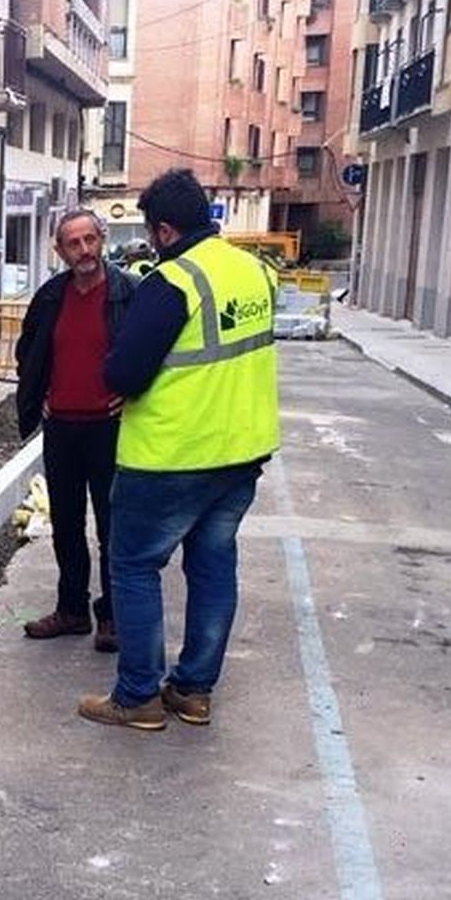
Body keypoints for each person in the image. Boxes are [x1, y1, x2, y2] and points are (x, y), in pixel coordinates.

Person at [77, 168, 280, 731]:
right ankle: (192, 691)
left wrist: (118, 373)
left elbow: (124, 371)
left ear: (163, 231)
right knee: (214, 566)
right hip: (239, 453)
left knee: (134, 566)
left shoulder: (173, 283)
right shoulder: (255, 273)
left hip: (171, 455)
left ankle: (138, 695)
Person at [14, 210, 138, 652]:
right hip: (62, 428)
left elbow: (152, 352)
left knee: (112, 526)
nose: (84, 250)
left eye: (90, 240)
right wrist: (39, 391)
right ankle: (72, 611)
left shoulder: (128, 293)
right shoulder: (50, 297)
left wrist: (136, 393)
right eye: (74, 243)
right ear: (59, 250)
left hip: (111, 429)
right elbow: (28, 350)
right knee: (66, 523)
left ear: (101, 240)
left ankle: (112, 618)